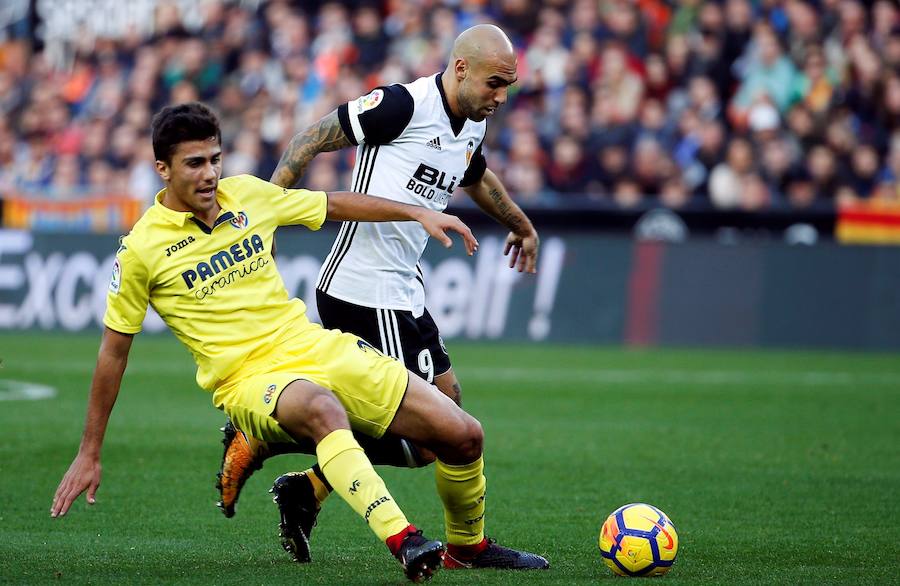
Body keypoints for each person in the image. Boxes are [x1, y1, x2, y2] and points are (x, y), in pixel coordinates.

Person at [49, 101, 503, 583]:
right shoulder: (141, 248)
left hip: (311, 345)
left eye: (215, 159)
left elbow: (333, 203)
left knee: (462, 434)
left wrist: (416, 213)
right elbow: (113, 352)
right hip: (247, 379)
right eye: (194, 163)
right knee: (322, 408)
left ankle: (466, 548)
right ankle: (404, 538)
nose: (210, 174)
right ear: (161, 168)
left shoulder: (246, 195)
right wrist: (89, 451)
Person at [216, 24, 547, 571]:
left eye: (508, 86)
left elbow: (478, 177)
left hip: (403, 292)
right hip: (362, 291)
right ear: (461, 69)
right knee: (433, 440)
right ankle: (267, 439)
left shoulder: (469, 122)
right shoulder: (400, 106)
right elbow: (311, 139)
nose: (501, 97)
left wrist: (522, 224)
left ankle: (309, 491)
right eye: (495, 83)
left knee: (451, 409)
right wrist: (267, 218)